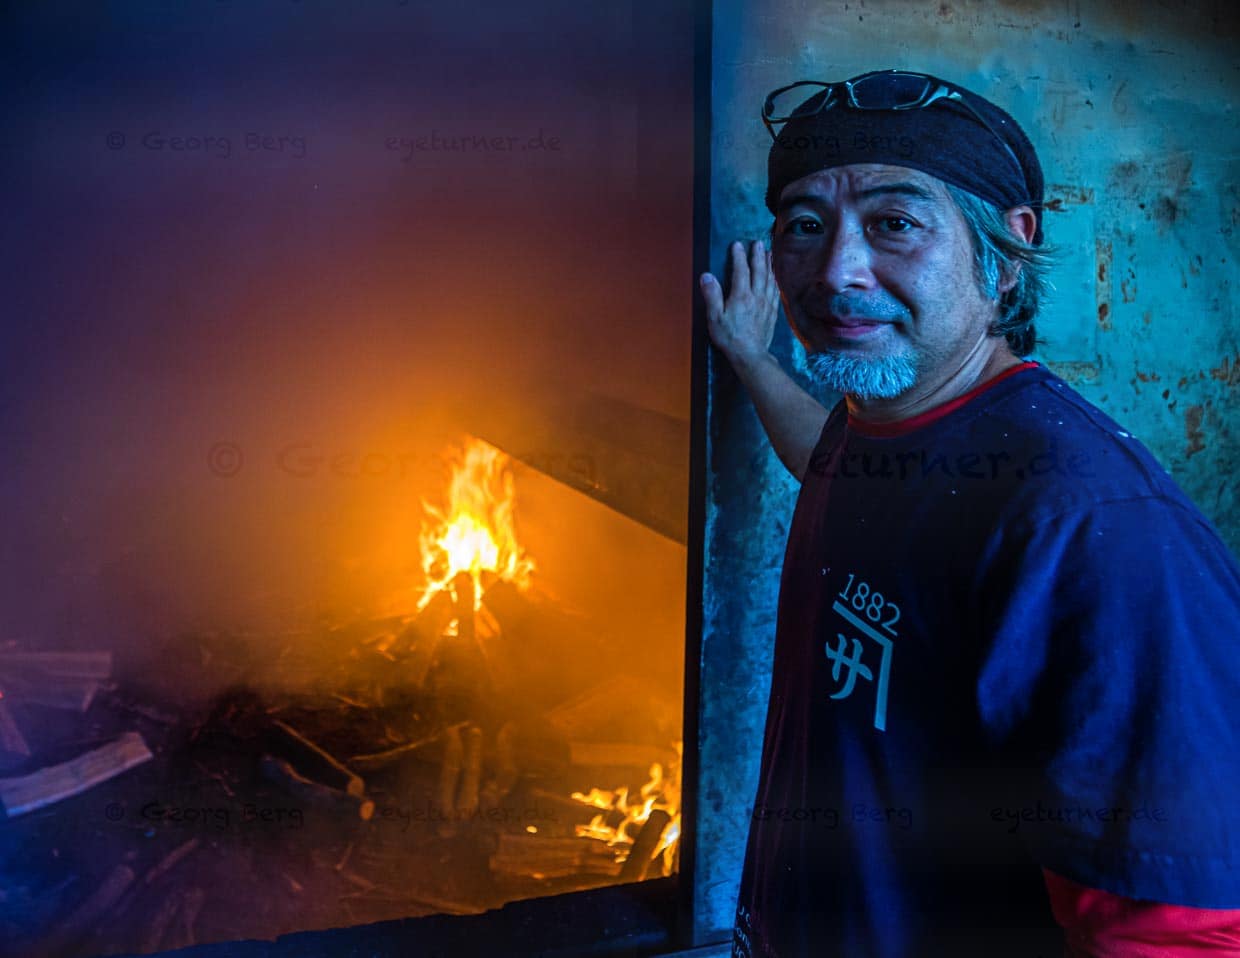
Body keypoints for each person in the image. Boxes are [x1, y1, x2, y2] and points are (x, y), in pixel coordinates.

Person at [699, 69, 1240, 957]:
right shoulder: (880, 426)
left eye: (895, 224)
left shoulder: (1085, 520)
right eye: (805, 225)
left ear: (1005, 251)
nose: (837, 270)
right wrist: (753, 360)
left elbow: (1182, 935)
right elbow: (837, 470)